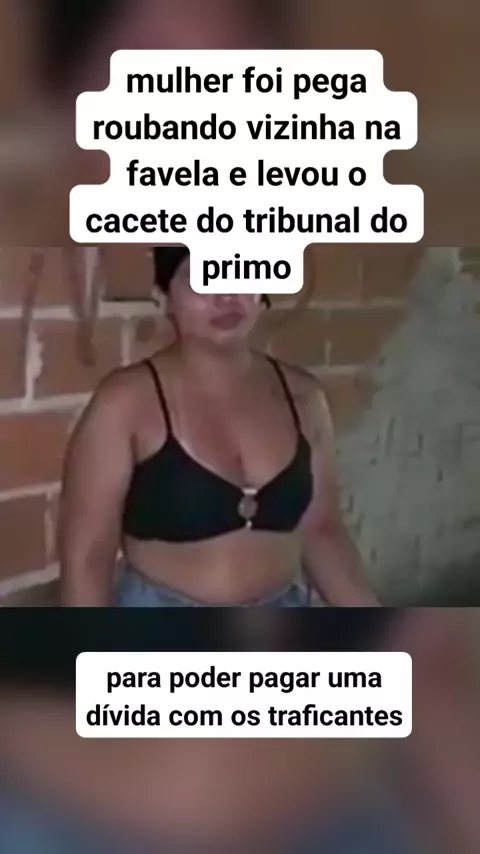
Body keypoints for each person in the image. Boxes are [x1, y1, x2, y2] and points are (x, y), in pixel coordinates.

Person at [58, 247, 377, 607]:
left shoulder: (304, 397)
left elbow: (323, 533)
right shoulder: (125, 403)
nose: (226, 294)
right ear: (163, 296)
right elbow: (87, 557)